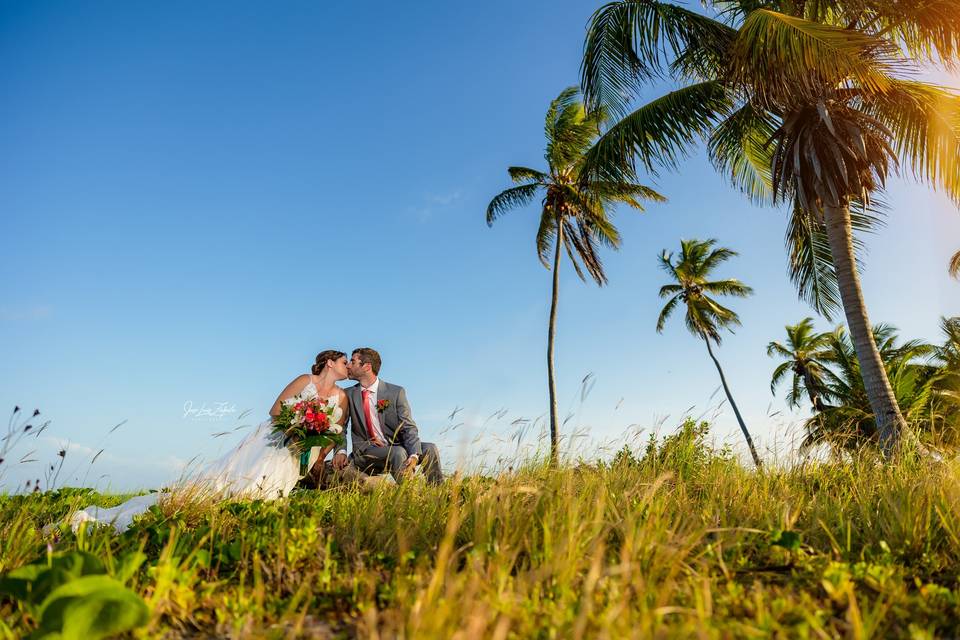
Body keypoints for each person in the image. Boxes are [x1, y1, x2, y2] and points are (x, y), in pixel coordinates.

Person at [69, 350, 355, 532]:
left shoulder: (341, 397)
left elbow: (337, 430)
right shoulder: (305, 379)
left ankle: (251, 521)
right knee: (239, 479)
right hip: (273, 440)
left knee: (276, 488)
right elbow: (276, 409)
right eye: (344, 362)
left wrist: (317, 450)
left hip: (299, 451)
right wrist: (298, 424)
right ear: (329, 362)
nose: (347, 367)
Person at [332, 347, 443, 484]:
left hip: (396, 446)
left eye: (353, 362)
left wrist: (414, 455)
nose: (348, 365)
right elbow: (340, 426)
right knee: (397, 452)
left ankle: (439, 495)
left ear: (366, 367)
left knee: (429, 448)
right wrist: (340, 451)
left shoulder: (396, 392)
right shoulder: (348, 394)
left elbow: (408, 426)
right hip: (366, 453)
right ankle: (407, 497)